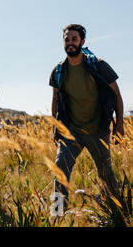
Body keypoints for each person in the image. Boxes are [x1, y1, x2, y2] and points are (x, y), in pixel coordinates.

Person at [49, 24, 124, 210]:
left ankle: (119, 211)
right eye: (67, 39)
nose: (70, 43)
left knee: (105, 173)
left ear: (82, 42)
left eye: (74, 39)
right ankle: (58, 212)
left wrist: (119, 125)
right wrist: (55, 126)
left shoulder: (98, 66)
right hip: (71, 130)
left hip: (97, 129)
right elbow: (55, 98)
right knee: (60, 168)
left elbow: (116, 95)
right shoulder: (58, 71)